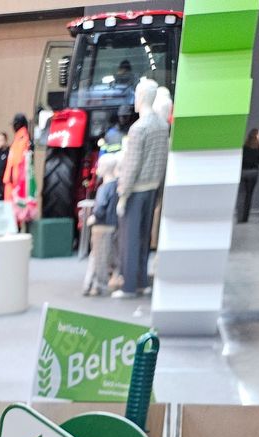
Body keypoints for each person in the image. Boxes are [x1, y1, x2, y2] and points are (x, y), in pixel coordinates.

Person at [114, 78, 169, 297]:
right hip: (153, 187)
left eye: (137, 94)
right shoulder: (162, 126)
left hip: (136, 190)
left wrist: (123, 193)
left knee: (129, 239)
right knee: (144, 237)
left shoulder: (139, 128)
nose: (135, 99)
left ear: (142, 97)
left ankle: (128, 286)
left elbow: (132, 164)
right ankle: (142, 282)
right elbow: (162, 160)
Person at [83, 153, 120, 296]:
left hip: (101, 226)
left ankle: (99, 286)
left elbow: (100, 209)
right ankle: (89, 285)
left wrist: (93, 218)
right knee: (105, 255)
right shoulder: (117, 186)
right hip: (113, 225)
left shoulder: (104, 189)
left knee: (99, 258)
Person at [3, 114, 31, 204]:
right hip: (13, 180)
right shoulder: (19, 138)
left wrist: (14, 181)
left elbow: (17, 161)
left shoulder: (22, 139)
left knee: (13, 207)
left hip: (15, 181)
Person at [237, 128, 259, 223]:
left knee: (241, 195)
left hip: (243, 172)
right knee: (249, 195)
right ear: (256, 136)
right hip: (253, 172)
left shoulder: (244, 147)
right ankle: (245, 217)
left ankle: (240, 217)